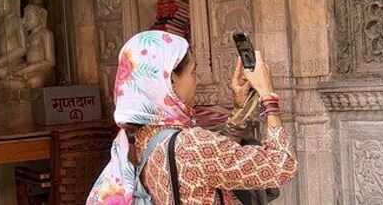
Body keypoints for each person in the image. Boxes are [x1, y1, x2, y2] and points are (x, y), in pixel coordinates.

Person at [86, 30, 297, 204]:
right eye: (193, 72)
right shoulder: (189, 145)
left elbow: (210, 166)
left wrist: (239, 111)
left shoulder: (135, 138)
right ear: (169, 81)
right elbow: (282, 166)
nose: (198, 80)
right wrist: (268, 95)